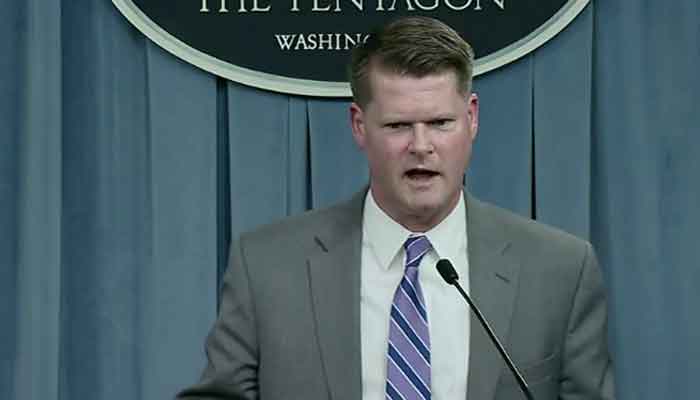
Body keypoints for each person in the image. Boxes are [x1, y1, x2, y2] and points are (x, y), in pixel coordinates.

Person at [177, 16, 615, 400]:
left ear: (472, 118)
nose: (421, 146)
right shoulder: (268, 266)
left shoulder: (559, 270)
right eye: (398, 125)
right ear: (359, 126)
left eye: (440, 123)